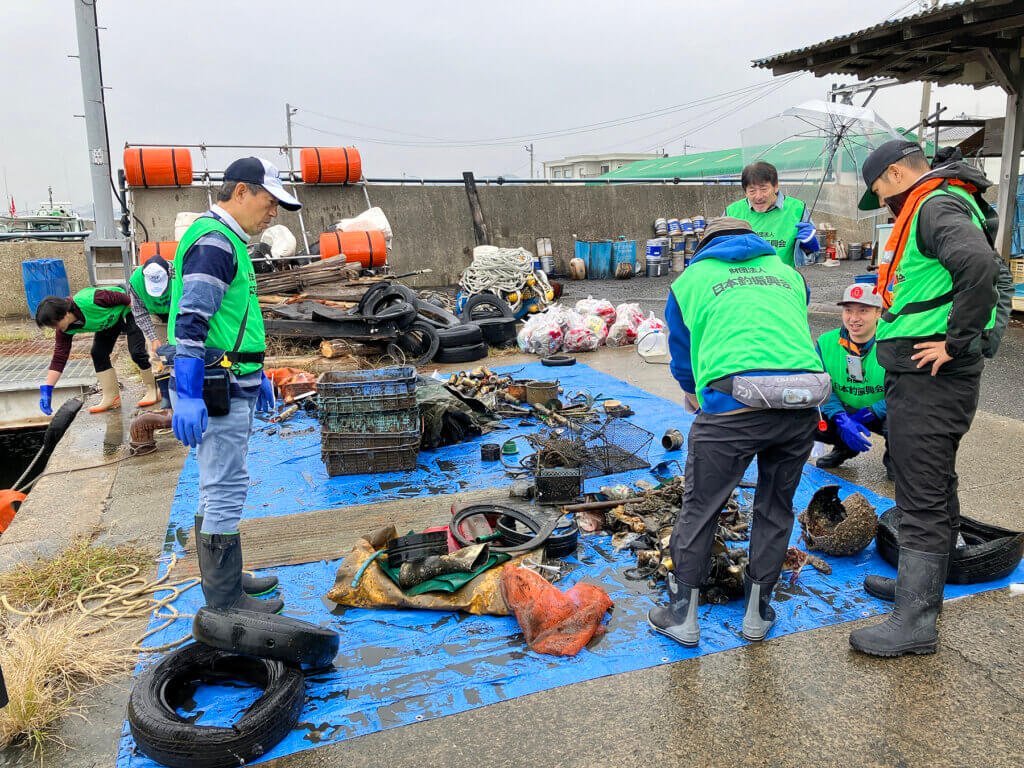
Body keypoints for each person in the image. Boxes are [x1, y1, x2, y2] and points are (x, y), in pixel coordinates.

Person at [849, 139, 1009, 658]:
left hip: (932, 377)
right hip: (924, 378)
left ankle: (915, 623)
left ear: (896, 174)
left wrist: (956, 341)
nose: (885, 203)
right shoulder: (936, 202)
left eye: (881, 192)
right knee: (934, 481)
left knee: (920, 492)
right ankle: (922, 591)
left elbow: (980, 268)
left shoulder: (935, 205)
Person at [650, 217, 830, 647]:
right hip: (801, 401)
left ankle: (683, 616)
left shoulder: (691, 279)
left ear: (706, 246)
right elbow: (782, 326)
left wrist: (694, 392)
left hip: (734, 405)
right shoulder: (788, 273)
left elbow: (680, 351)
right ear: (753, 241)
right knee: (775, 506)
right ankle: (757, 612)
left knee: (701, 507)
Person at [168, 157, 301, 614]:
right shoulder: (215, 244)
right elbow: (191, 322)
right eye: (269, 201)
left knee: (215, 485)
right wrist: (186, 394)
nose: (274, 213)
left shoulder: (226, 240)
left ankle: (224, 577)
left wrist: (257, 373)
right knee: (225, 486)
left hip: (230, 378)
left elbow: (230, 322)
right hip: (212, 386)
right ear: (241, 192)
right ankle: (226, 601)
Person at [36, 286, 156, 414]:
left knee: (136, 351)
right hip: (108, 321)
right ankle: (111, 398)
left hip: (127, 309)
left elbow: (123, 298)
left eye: (54, 324)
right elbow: (59, 357)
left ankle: (154, 388)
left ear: (64, 314)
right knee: (98, 354)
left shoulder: (91, 300)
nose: (55, 328)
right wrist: (48, 390)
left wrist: (142, 320)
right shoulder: (64, 330)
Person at [814, 283, 891, 478]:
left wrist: (871, 412)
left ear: (878, 313)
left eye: (863, 311)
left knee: (906, 421)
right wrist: (841, 417)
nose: (854, 318)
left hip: (884, 411)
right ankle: (844, 447)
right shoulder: (826, 342)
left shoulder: (893, 342)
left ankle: (897, 460)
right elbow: (821, 386)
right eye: (848, 310)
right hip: (846, 409)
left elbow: (904, 392)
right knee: (806, 416)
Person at [724, 161, 820, 267]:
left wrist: (809, 246)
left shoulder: (797, 209)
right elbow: (718, 250)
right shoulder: (732, 212)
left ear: (776, 187)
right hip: (744, 279)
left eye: (764, 189)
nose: (759, 196)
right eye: (752, 191)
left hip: (783, 279)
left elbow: (812, 257)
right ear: (745, 191)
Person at [128, 255, 173, 408]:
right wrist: (154, 338)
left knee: (182, 352)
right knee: (157, 356)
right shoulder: (136, 281)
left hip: (178, 313)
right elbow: (139, 313)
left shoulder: (180, 272)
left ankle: (185, 393)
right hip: (154, 315)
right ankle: (166, 397)